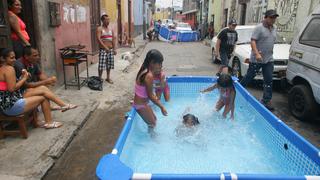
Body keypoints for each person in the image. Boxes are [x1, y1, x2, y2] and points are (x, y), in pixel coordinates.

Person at [0, 48, 63, 129]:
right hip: (11, 105)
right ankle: (50, 121)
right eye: (11, 58)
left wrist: (22, 76)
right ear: (2, 58)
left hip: (6, 105)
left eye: (14, 57)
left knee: (42, 91)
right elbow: (12, 88)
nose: (14, 60)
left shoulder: (3, 69)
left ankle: (41, 120)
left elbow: (9, 86)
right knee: (43, 97)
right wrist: (24, 78)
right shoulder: (9, 69)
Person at [14, 46, 77, 111]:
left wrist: (49, 81)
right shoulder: (19, 65)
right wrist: (46, 81)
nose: (38, 57)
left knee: (45, 86)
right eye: (35, 55)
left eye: (38, 55)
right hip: (20, 92)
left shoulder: (33, 62)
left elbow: (40, 74)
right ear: (26, 56)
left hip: (28, 88)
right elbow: (26, 85)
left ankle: (52, 107)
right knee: (43, 89)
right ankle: (63, 105)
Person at [240, 10, 279, 111]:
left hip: (269, 59)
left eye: (274, 18)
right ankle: (237, 91)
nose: (273, 20)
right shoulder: (259, 28)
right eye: (271, 17)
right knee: (249, 77)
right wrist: (257, 53)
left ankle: (266, 100)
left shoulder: (274, 28)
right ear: (265, 17)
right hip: (257, 59)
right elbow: (253, 41)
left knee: (269, 80)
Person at [133, 49, 168, 131]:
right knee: (152, 124)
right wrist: (161, 107)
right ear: (152, 62)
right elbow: (151, 95)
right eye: (159, 63)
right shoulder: (149, 75)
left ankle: (152, 137)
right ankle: (152, 140)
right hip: (141, 105)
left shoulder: (144, 69)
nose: (160, 66)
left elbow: (145, 88)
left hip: (142, 103)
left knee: (154, 120)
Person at [96, 14, 117, 84]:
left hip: (110, 50)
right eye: (106, 20)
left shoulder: (111, 29)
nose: (108, 21)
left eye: (109, 19)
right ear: (102, 20)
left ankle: (108, 77)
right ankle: (99, 78)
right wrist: (105, 47)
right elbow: (99, 39)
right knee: (101, 65)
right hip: (103, 50)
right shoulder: (99, 29)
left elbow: (113, 39)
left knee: (109, 64)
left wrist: (114, 49)